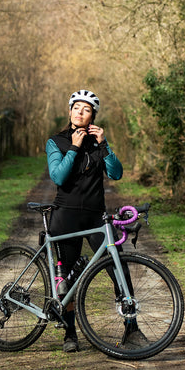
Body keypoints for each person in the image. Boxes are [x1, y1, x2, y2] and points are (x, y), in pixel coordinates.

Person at [46, 89, 124, 353]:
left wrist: (104, 144)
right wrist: (74, 147)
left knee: (119, 266)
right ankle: (70, 334)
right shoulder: (56, 141)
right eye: (76, 107)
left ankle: (132, 327)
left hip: (95, 217)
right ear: (70, 111)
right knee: (67, 278)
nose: (80, 112)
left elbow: (116, 174)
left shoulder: (98, 142)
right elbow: (58, 177)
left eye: (86, 109)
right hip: (65, 216)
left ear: (93, 116)